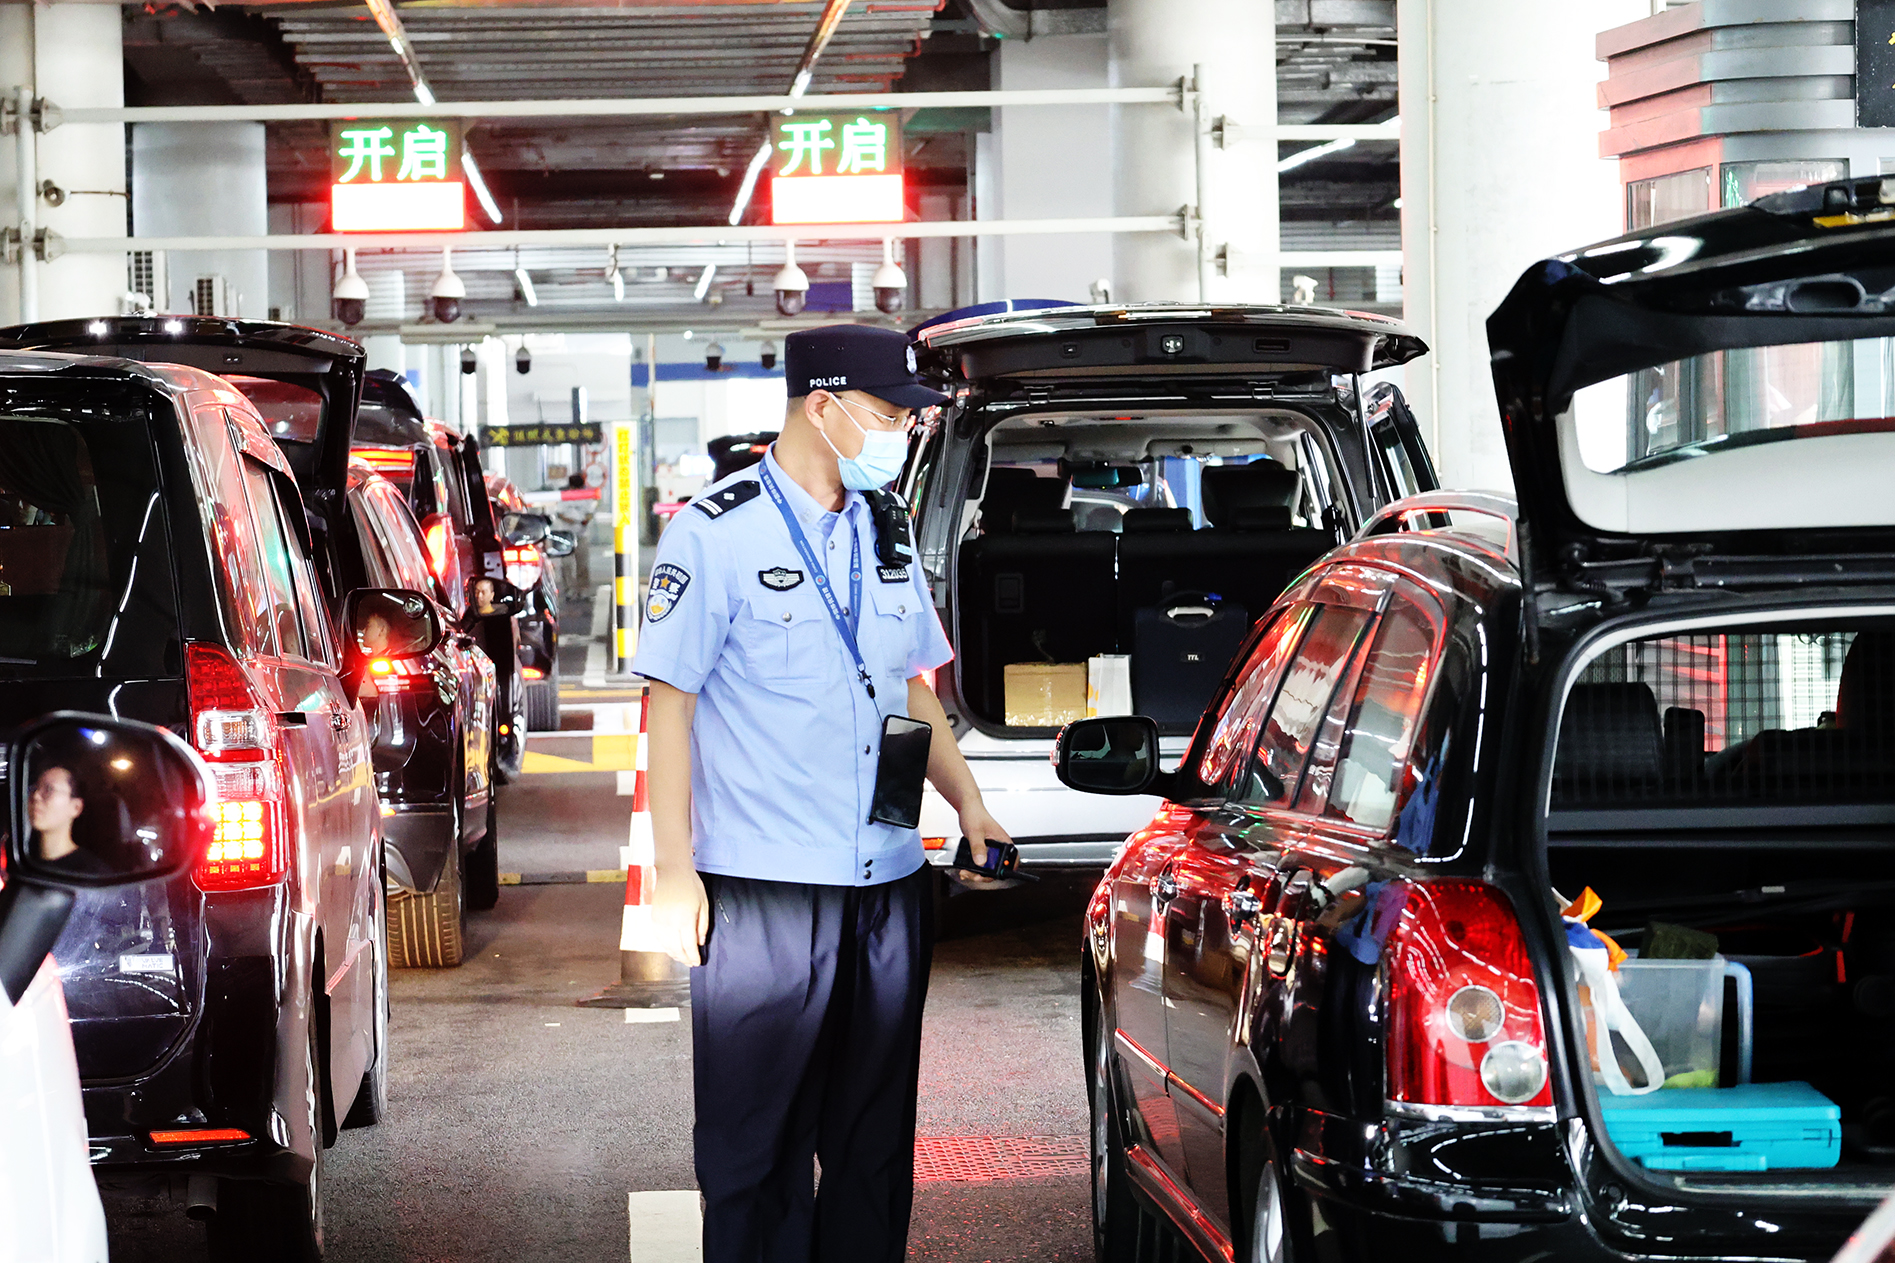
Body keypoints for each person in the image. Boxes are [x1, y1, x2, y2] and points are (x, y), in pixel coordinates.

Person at [634, 325, 1013, 1263]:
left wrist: (967, 804)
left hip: (884, 880)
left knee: (871, 1142)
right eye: (888, 414)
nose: (899, 432)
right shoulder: (713, 532)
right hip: (764, 889)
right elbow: (670, 705)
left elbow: (908, 684)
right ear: (823, 405)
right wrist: (674, 872)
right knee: (754, 1144)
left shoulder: (883, 530)